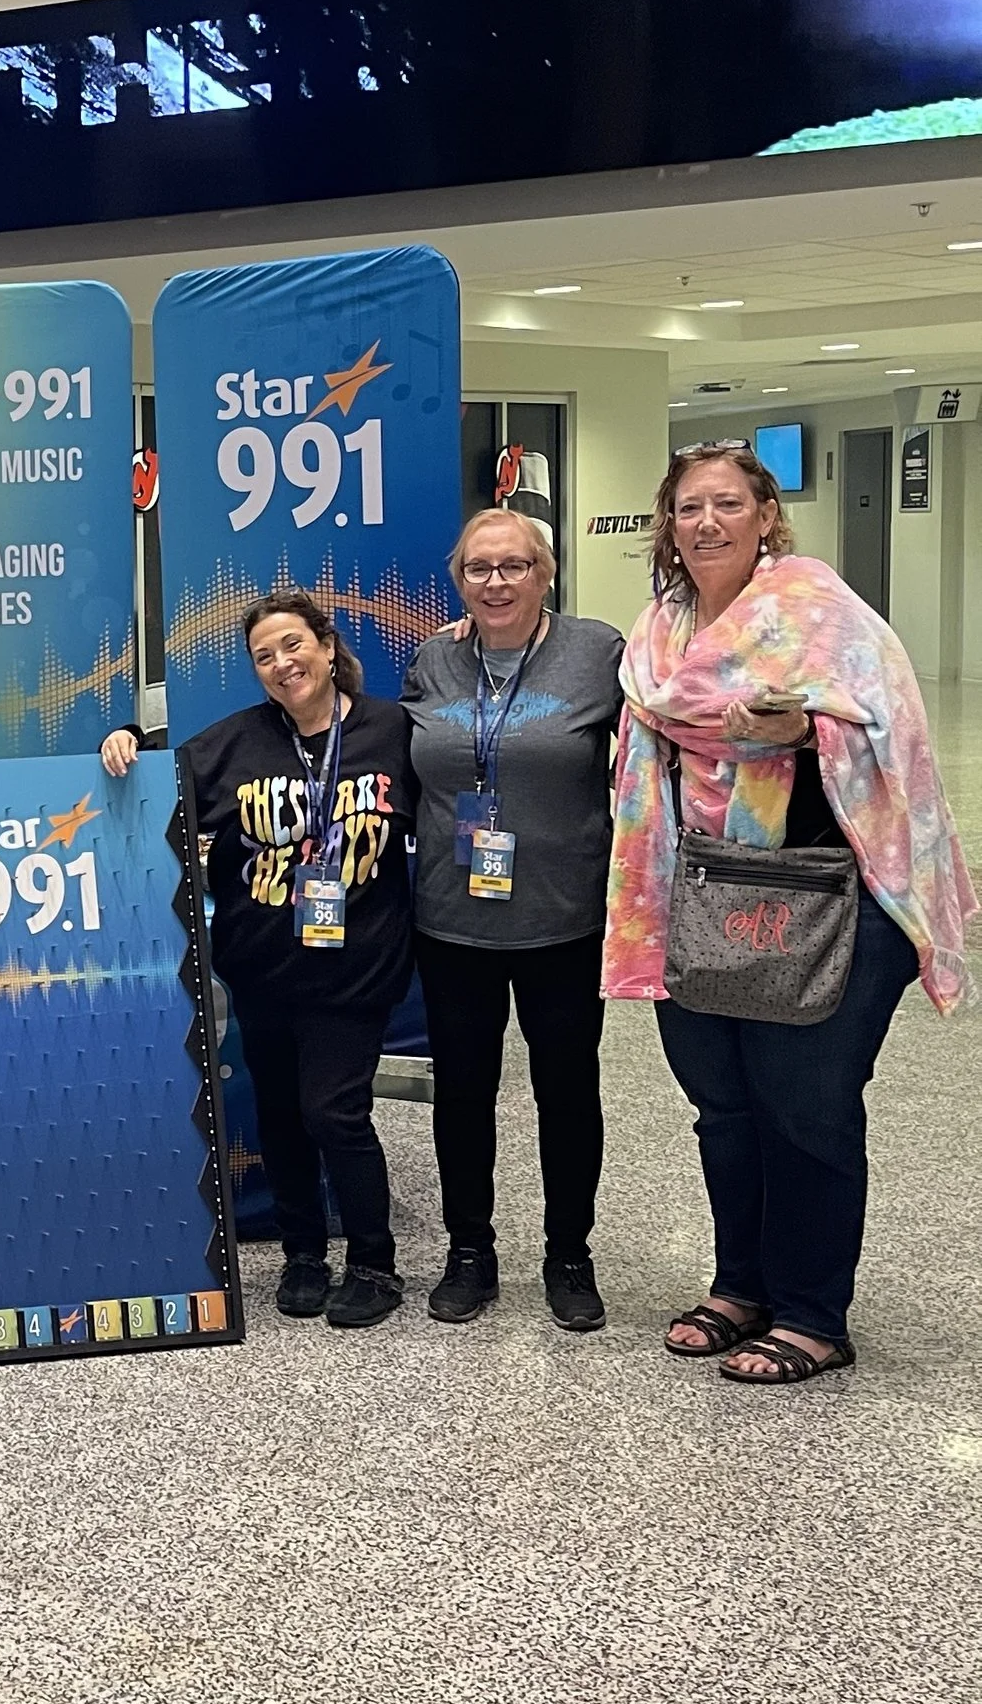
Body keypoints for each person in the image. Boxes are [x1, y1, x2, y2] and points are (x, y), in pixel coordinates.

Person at [604, 442, 973, 1385]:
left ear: (766, 514)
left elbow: (888, 721)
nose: (707, 523)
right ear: (668, 524)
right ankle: (742, 1285)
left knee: (805, 1106)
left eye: (728, 503)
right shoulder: (656, 633)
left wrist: (808, 727)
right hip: (701, 900)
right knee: (722, 1106)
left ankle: (814, 1311)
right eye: (689, 507)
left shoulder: (817, 609)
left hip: (829, 901)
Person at [125, 589, 415, 1327]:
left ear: (326, 644)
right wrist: (124, 736)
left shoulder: (393, 731)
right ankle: (304, 1254)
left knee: (335, 1110)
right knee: (282, 1114)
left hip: (357, 969)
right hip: (263, 967)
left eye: (293, 645)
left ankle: (375, 1263)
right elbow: (153, 786)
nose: (282, 664)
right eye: (264, 655)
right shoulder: (235, 742)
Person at [402, 512, 624, 1332]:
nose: (497, 581)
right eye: (479, 568)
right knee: (462, 1092)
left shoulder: (599, 653)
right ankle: (470, 1252)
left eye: (515, 566)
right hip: (451, 922)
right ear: (459, 579)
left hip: (562, 920)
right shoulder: (434, 659)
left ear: (547, 573)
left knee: (568, 1092)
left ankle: (569, 1253)